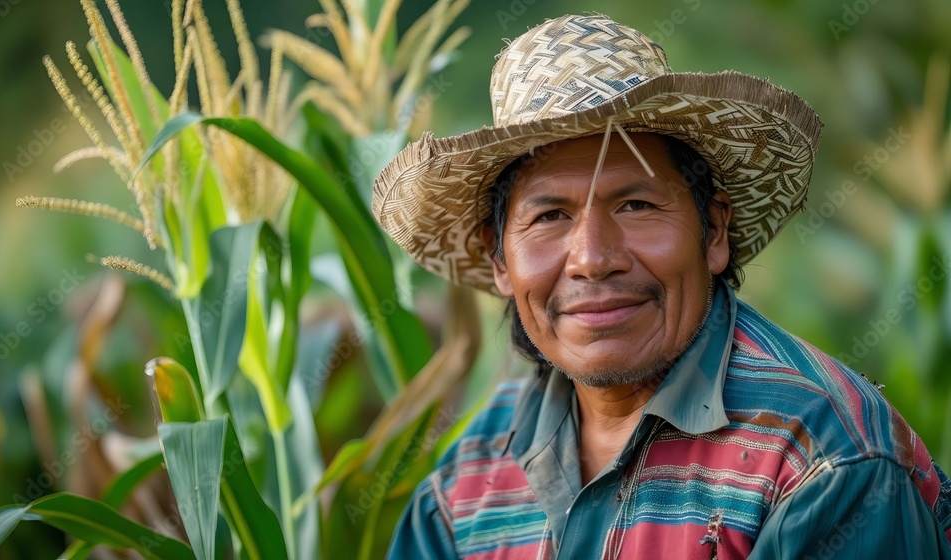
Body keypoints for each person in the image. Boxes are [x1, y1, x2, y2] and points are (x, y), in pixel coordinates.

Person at [372, 14, 951, 559]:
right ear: (499, 257)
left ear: (715, 230)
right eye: (549, 216)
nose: (593, 261)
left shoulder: (824, 461)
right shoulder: (467, 477)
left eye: (637, 204)